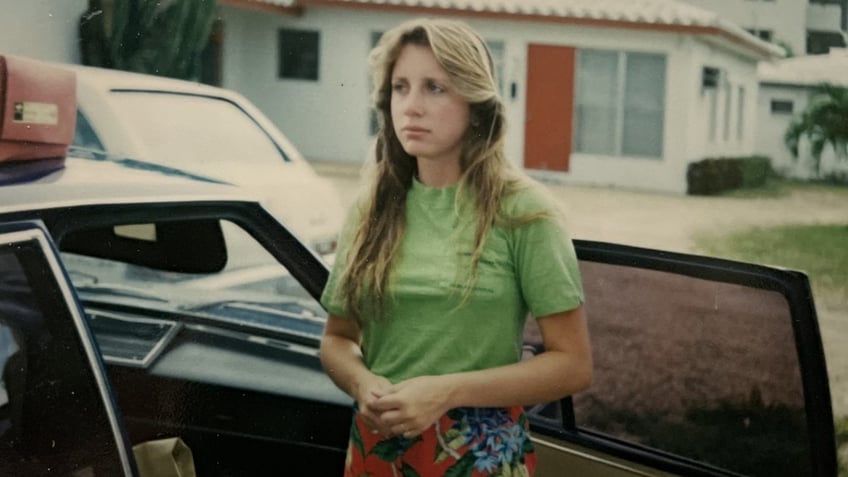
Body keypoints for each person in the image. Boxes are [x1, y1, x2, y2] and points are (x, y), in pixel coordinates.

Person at [320, 17, 592, 477]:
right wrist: (363, 383)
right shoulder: (371, 209)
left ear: (476, 103)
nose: (411, 106)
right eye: (400, 88)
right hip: (377, 451)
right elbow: (337, 339)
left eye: (435, 88)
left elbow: (572, 365)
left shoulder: (525, 211)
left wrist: (446, 392)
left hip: (479, 456)